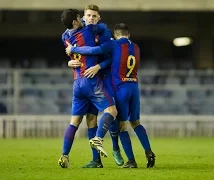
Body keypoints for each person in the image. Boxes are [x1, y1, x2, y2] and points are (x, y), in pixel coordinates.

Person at [66, 23, 156, 168]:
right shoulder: (137, 47)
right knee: (136, 123)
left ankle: (131, 161)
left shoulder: (113, 45)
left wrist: (73, 49)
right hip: (134, 86)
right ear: (129, 34)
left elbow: (94, 50)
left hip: (121, 88)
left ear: (115, 35)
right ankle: (149, 152)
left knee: (121, 127)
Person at [58, 9, 118, 168]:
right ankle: (99, 138)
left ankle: (67, 156)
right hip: (91, 80)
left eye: (93, 16)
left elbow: (73, 54)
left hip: (77, 82)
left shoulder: (65, 36)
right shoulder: (90, 30)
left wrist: (70, 59)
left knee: (83, 120)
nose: (89, 19)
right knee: (112, 111)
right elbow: (99, 47)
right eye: (84, 17)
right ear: (77, 21)